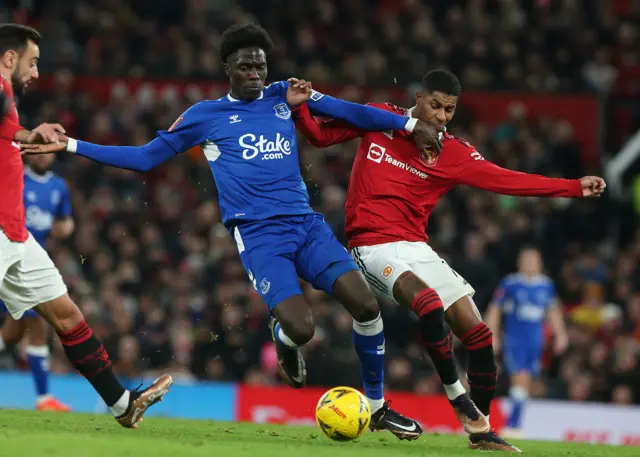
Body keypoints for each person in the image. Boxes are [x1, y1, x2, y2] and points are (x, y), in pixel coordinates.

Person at [22, 23, 443, 440]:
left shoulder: (285, 95)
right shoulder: (205, 116)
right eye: (245, 67)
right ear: (227, 67)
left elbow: (349, 111)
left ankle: (376, 406)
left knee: (366, 305)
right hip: (260, 238)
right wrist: (73, 145)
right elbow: (144, 158)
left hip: (306, 225)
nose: (255, 74)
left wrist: (407, 126)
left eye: (260, 66)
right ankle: (284, 338)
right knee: (302, 328)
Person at [291, 69, 605, 451]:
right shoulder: (381, 120)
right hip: (371, 246)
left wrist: (574, 187)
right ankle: (458, 396)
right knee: (428, 304)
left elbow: (508, 180)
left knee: (478, 334)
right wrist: (299, 110)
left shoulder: (453, 151)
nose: (441, 116)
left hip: (418, 249)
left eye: (449, 110)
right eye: (436, 105)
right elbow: (319, 135)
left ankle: (481, 429)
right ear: (419, 98)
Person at [0, 23, 172, 428]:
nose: (37, 72)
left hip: (17, 235)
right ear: (10, 58)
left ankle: (122, 405)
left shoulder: (7, 99)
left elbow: (8, 129)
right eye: (33, 62)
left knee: (66, 315)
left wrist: (28, 132)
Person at [0, 153, 74, 411]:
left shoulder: (58, 186)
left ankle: (44, 398)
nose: (43, 156)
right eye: (39, 151)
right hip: (11, 262)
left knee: (12, 334)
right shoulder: (16, 178)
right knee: (37, 325)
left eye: (48, 152)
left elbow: (65, 222)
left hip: (35, 264)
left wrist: (64, 228)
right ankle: (44, 398)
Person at [485, 247, 568, 438]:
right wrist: (493, 335)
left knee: (526, 383)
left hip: (535, 342)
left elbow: (552, 310)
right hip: (515, 340)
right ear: (520, 263)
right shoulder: (510, 284)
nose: (530, 263)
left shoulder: (546, 285)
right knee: (519, 378)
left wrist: (561, 334)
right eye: (526, 260)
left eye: (533, 260)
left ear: (540, 263)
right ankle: (513, 424)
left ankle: (516, 422)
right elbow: (495, 310)